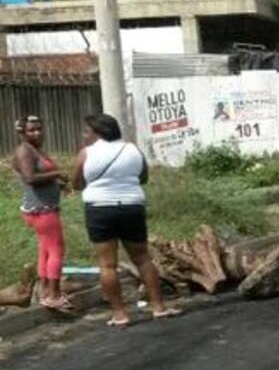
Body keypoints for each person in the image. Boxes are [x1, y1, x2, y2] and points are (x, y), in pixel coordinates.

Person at [71, 114, 177, 328]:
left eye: (86, 132)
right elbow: (143, 178)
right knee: (143, 259)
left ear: (97, 133)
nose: (84, 136)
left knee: (107, 264)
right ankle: (159, 308)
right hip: (131, 207)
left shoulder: (86, 154)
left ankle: (120, 314)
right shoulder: (133, 150)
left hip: (100, 210)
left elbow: (76, 183)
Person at [11, 115, 71, 310]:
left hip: (42, 208)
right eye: (31, 130)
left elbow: (40, 177)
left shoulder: (34, 149)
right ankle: (53, 295)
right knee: (56, 250)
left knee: (45, 250)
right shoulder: (24, 151)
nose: (37, 132)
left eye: (39, 128)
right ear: (22, 132)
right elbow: (30, 178)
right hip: (41, 210)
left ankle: (45, 290)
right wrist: (57, 174)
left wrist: (57, 184)